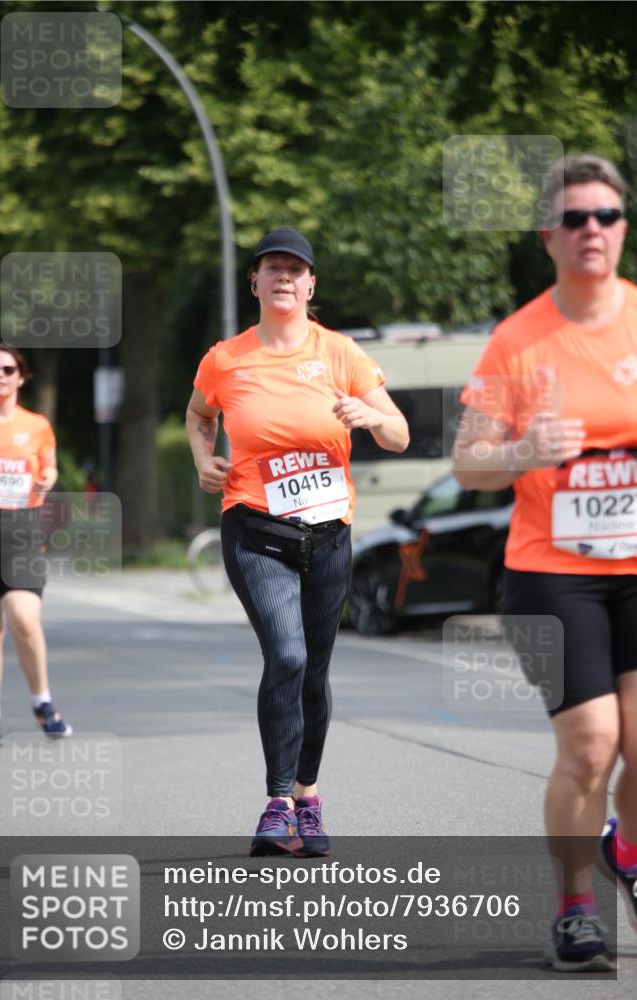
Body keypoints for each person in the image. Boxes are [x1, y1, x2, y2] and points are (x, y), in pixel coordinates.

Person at [453, 154, 636, 971]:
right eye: (574, 219)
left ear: (622, 228)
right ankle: (572, 912)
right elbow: (467, 464)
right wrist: (526, 447)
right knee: (593, 745)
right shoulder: (516, 340)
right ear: (547, 236)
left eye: (605, 215)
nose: (590, 229)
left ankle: (623, 850)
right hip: (549, 570)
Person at [186, 227, 409, 856]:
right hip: (255, 528)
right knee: (285, 656)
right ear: (254, 283)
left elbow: (399, 434)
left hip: (329, 536)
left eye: (295, 269)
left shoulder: (341, 354)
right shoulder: (225, 359)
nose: (284, 276)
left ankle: (307, 797)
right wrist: (203, 459)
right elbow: (200, 415)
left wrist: (371, 417)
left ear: (311, 285)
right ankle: (277, 803)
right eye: (272, 267)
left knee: (315, 669)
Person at [0, 344, 72, 746]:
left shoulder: (37, 426)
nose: (0, 374)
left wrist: (47, 478)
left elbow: (48, 467)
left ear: (21, 377)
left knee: (23, 618)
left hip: (22, 531)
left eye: (8, 368)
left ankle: (42, 702)